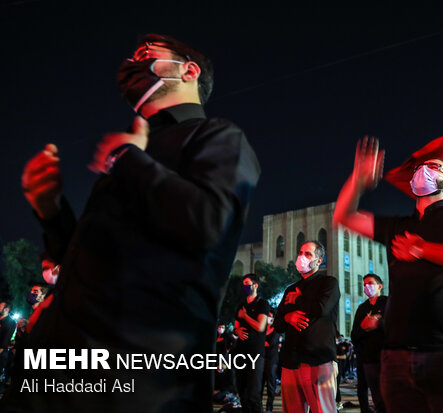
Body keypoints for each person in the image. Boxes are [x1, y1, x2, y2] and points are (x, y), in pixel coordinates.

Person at [4, 33, 260, 413]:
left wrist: (127, 159)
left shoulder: (218, 136)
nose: (133, 62)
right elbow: (88, 262)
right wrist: (52, 211)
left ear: (188, 70)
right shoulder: (134, 149)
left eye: (146, 54)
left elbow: (209, 226)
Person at [333, 137, 443, 412]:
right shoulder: (398, 226)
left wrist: (424, 249)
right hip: (398, 357)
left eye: (433, 167)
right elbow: (344, 217)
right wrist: (357, 180)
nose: (423, 170)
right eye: (421, 167)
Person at [273, 241, 340, 413]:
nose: (302, 257)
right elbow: (278, 323)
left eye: (308, 254)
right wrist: (289, 316)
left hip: (318, 359)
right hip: (291, 361)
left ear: (319, 261)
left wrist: (298, 301)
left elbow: (321, 308)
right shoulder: (290, 289)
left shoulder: (328, 283)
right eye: (301, 252)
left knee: (322, 409)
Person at [351, 274, 387, 413]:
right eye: (364, 284)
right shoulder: (362, 308)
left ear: (380, 286)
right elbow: (355, 334)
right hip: (366, 357)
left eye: (370, 283)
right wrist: (364, 327)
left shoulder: (387, 303)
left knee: (385, 392)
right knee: (365, 389)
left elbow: (395, 326)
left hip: (385, 356)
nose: (367, 287)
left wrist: (378, 323)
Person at [234, 274, 269, 413]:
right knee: (242, 391)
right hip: (240, 352)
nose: (245, 286)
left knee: (254, 394)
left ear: (255, 285)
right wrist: (237, 331)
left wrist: (246, 316)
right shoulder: (241, 305)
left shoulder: (263, 304)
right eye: (243, 284)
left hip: (255, 353)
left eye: (247, 283)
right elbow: (236, 326)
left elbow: (260, 326)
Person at [262, 310, 280, 413]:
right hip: (261, 359)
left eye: (269, 316)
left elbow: (271, 342)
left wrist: (263, 342)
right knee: (259, 384)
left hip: (272, 361)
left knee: (270, 385)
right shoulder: (262, 329)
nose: (268, 318)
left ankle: (269, 408)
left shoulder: (276, 329)